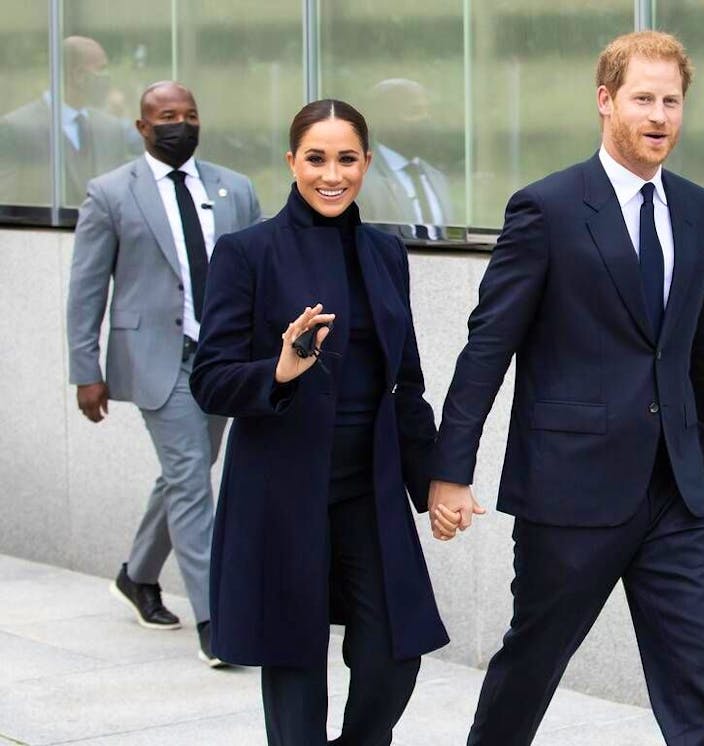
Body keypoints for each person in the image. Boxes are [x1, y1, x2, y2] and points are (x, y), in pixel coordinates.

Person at [428, 30, 704, 745]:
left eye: (672, 101)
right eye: (643, 99)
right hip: (570, 489)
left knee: (700, 679)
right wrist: (450, 471)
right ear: (606, 101)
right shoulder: (546, 208)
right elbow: (487, 348)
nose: (659, 116)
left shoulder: (696, 207)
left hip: (675, 489)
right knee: (533, 663)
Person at [190, 99, 448, 745]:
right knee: (295, 665)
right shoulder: (246, 252)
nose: (332, 175)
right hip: (281, 489)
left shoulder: (386, 252)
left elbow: (406, 383)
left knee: (395, 655)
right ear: (291, 162)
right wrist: (279, 370)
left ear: (366, 162)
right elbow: (210, 380)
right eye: (316, 159)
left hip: (370, 490)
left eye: (346, 159)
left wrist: (437, 481)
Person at [66, 81, 261, 667]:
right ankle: (215, 619)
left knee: (186, 471)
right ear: (143, 126)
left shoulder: (234, 188)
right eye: (168, 115)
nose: (182, 124)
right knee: (191, 479)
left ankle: (137, 574)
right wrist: (85, 370)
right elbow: (86, 288)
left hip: (222, 360)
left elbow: (263, 269)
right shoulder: (109, 193)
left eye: (190, 114)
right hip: (157, 359)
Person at [0, 36, 131, 206]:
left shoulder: (111, 129)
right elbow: (7, 205)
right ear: (78, 75)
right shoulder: (16, 128)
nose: (107, 78)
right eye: (101, 69)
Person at [360, 78, 454, 237]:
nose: (426, 120)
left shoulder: (438, 179)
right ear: (385, 119)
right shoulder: (361, 181)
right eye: (414, 111)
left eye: (428, 112)